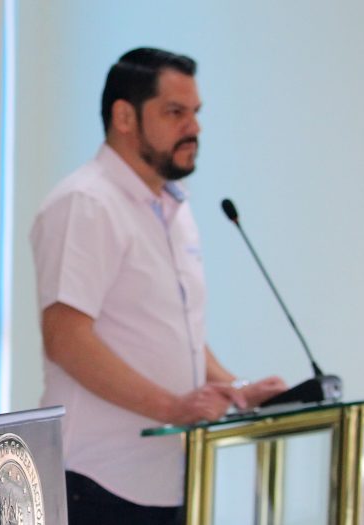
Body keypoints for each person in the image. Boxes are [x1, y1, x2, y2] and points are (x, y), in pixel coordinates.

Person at [29, 47, 287, 524]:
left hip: (170, 477)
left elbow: (173, 331)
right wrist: (173, 407)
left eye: (196, 112)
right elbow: (66, 338)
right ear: (124, 117)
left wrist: (234, 389)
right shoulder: (86, 203)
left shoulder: (172, 208)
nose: (194, 127)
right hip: (95, 480)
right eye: (175, 112)